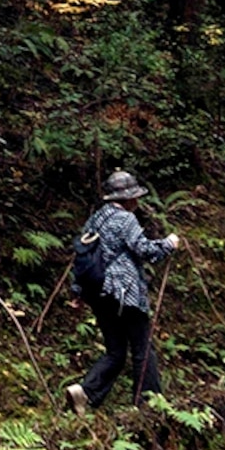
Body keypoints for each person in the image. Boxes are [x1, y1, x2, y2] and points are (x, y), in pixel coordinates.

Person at [65, 169, 178, 410]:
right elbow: (145, 249)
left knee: (115, 351)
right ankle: (149, 405)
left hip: (98, 295)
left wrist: (78, 292)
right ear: (127, 199)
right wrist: (168, 244)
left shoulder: (95, 219)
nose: (137, 201)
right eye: (135, 197)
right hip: (125, 294)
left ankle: (85, 393)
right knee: (142, 349)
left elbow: (84, 257)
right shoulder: (126, 219)